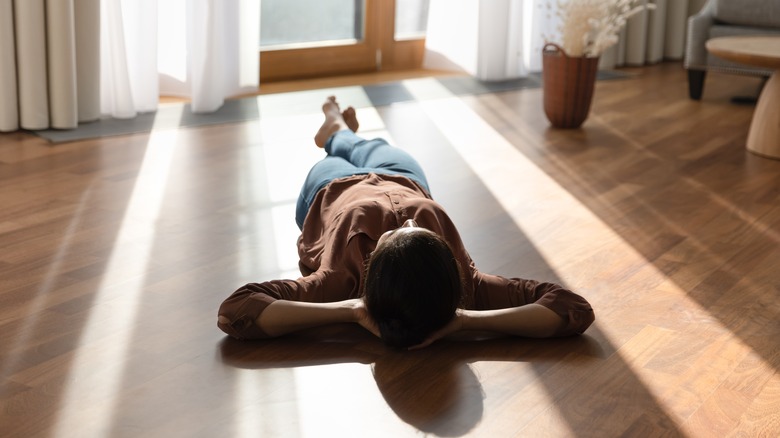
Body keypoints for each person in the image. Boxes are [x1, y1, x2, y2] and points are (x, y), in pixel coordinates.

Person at [217, 96, 594, 349]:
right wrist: (464, 319)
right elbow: (570, 307)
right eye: (420, 231)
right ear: (446, 261)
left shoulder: (338, 282)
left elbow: (237, 310)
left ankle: (336, 132)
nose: (409, 221)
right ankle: (339, 131)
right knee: (373, 147)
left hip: (331, 188)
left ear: (371, 266)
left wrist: (350, 309)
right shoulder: (465, 284)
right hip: (404, 178)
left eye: (396, 234)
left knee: (343, 154)